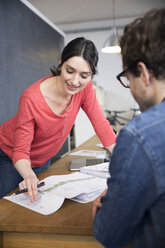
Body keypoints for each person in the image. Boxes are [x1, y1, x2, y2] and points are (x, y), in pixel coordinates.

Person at [0, 37, 116, 202]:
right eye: (69, 71)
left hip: (42, 158)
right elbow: (20, 151)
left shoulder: (85, 89)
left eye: (84, 75)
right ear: (61, 62)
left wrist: (121, 156)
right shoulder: (31, 98)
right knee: (7, 210)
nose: (75, 82)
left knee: (38, 205)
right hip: (10, 155)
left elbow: (101, 125)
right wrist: (29, 176)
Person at [93, 8, 165, 248]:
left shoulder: (140, 135)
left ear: (143, 74)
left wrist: (111, 202)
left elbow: (110, 233)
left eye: (128, 78)